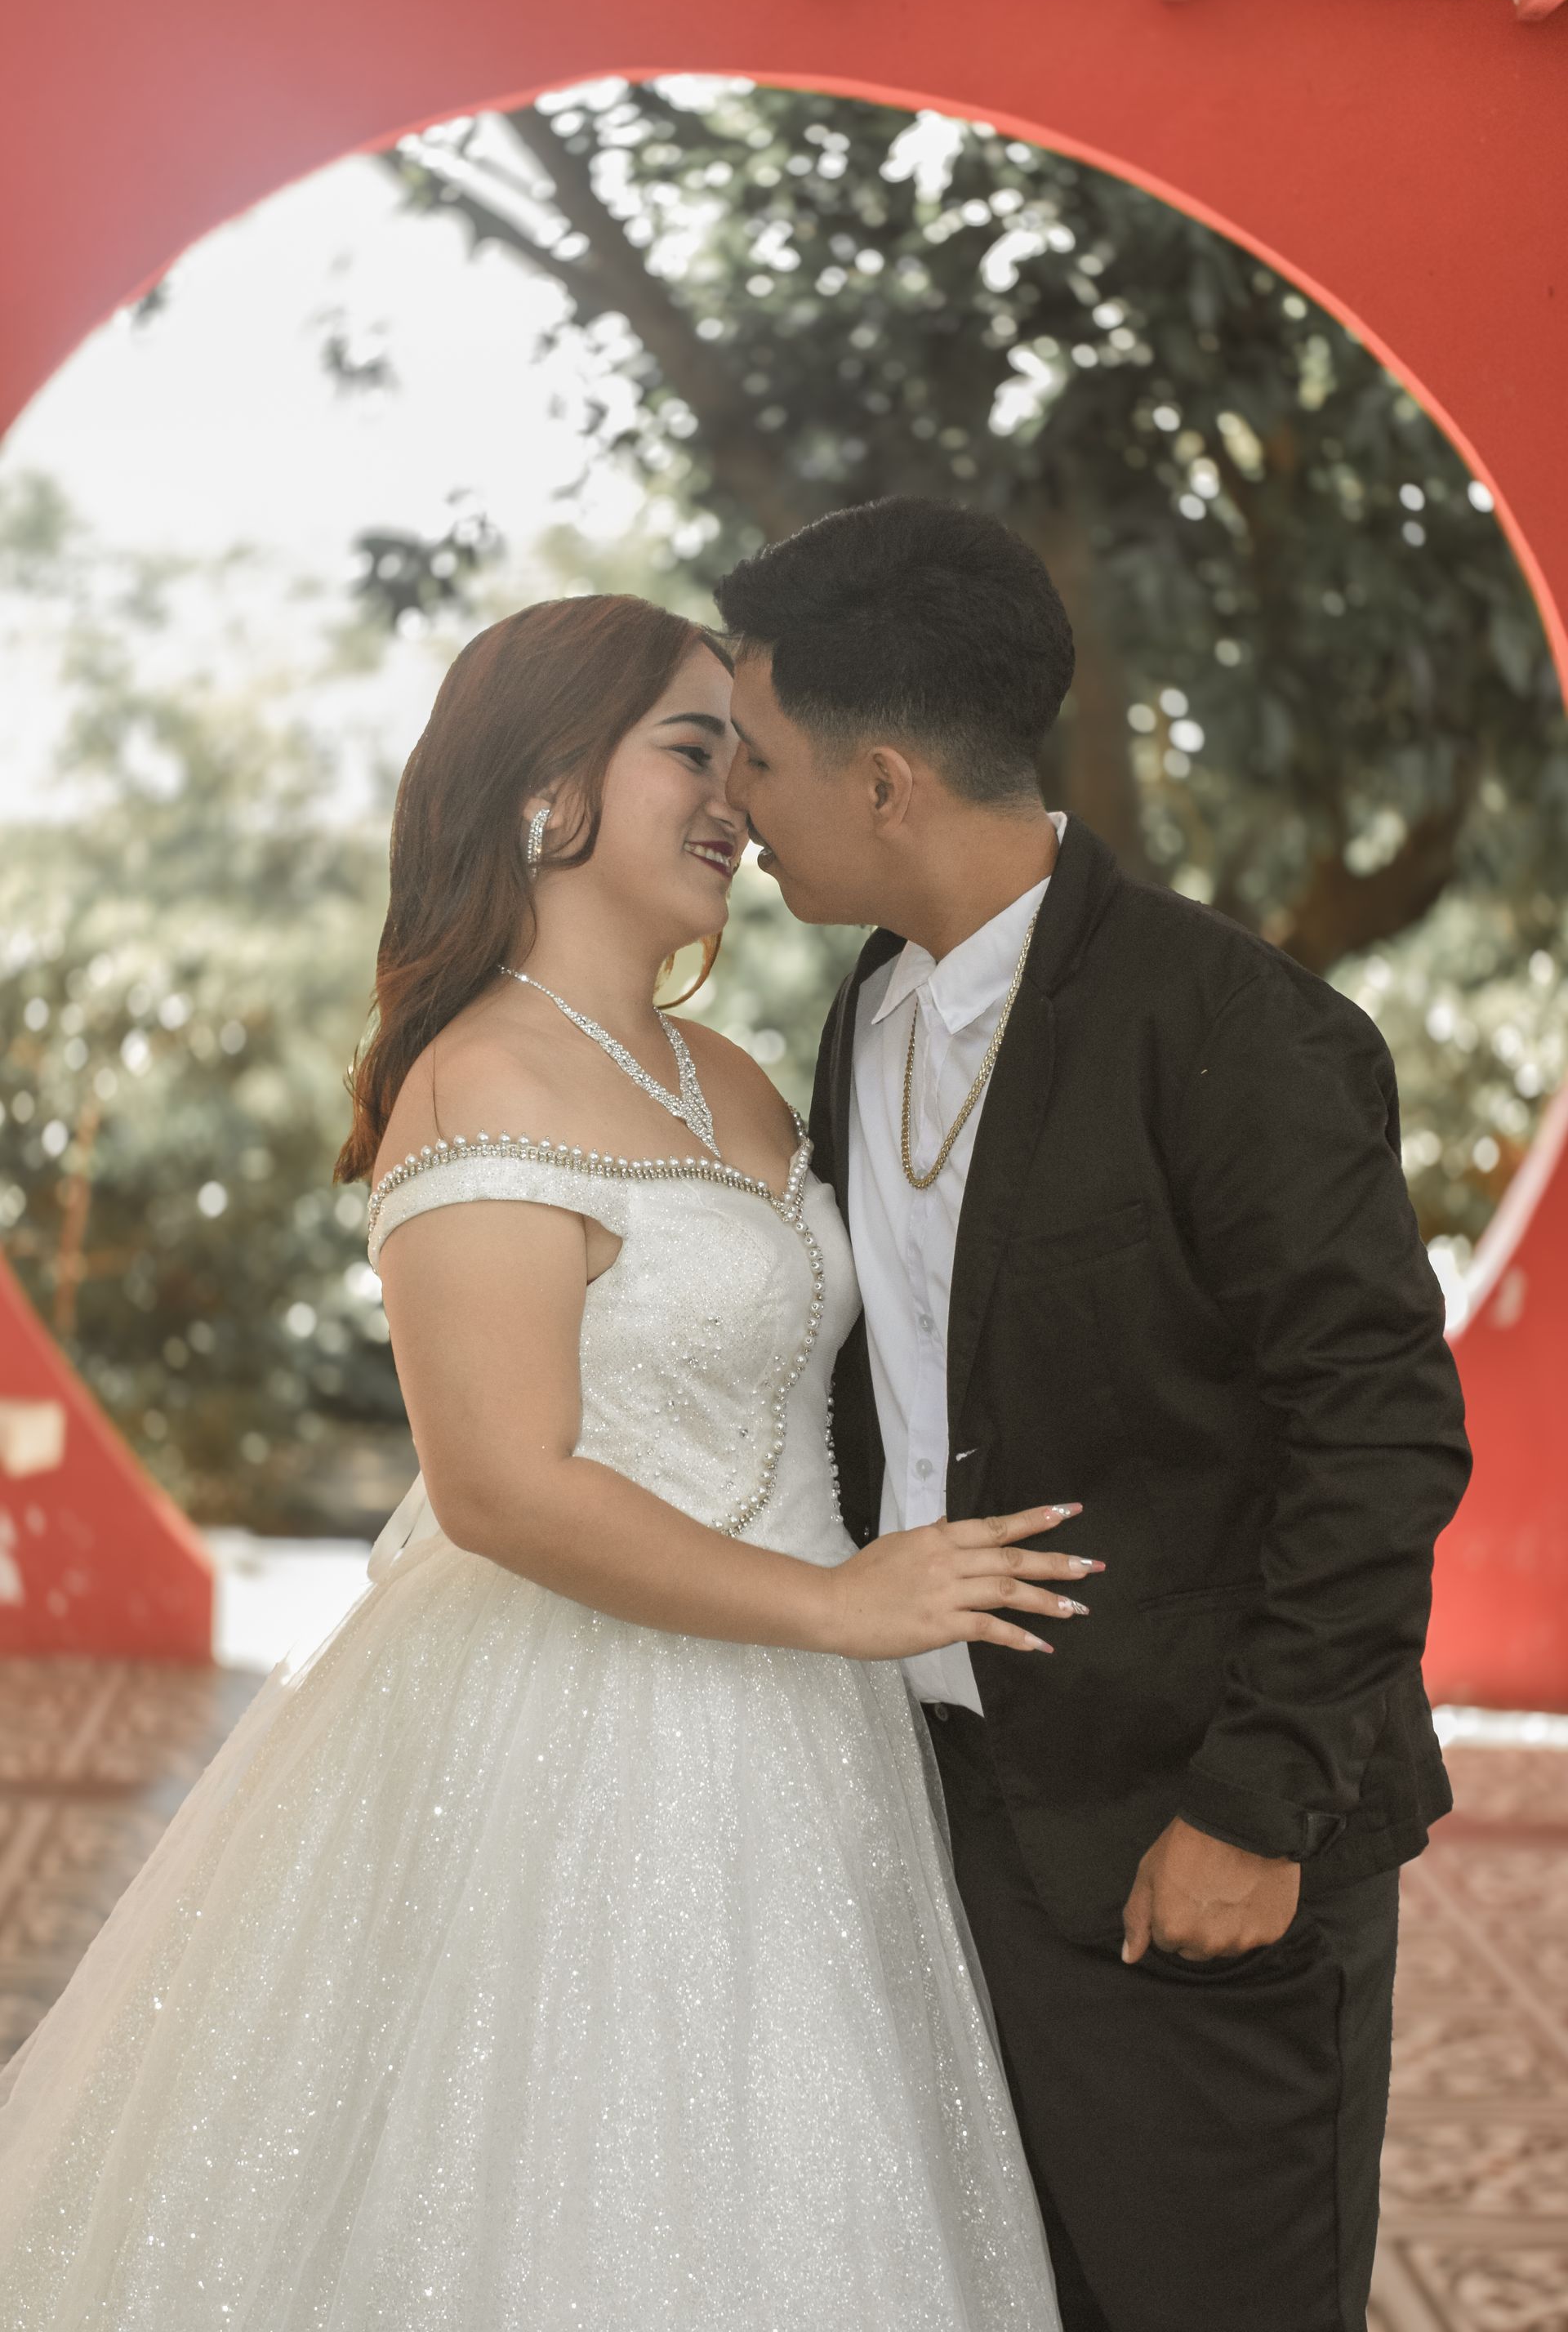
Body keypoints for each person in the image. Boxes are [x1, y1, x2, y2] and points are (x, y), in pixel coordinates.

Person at [0, 592, 1075, 2330]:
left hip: (814, 1749)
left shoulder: (735, 1078)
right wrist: (837, 1605)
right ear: (544, 789)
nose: (734, 796)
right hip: (576, 1736)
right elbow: (501, 1485)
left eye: (746, 757)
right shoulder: (475, 1078)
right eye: (690, 750)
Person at [716, 497, 1472, 2332]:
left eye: (755, 754)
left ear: (884, 780)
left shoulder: (1244, 1029)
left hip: (1189, 1840)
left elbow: (1382, 1437)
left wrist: (1254, 1809)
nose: (735, 800)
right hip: (945, 1835)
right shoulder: (863, 1014)